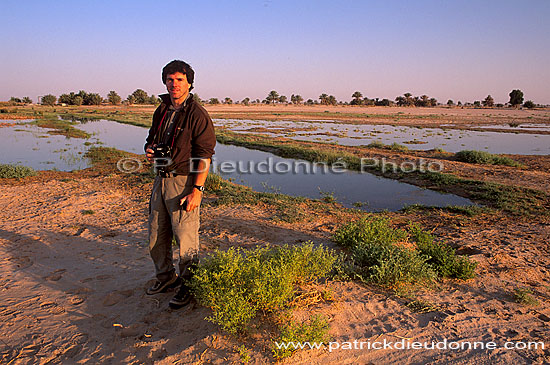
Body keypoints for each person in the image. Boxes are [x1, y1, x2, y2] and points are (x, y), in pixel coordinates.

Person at [144, 60, 216, 309]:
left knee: (185, 239)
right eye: (170, 79)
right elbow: (151, 138)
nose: (174, 84)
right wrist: (150, 150)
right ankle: (165, 278)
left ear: (189, 83)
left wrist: (197, 190)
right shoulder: (162, 109)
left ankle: (189, 286)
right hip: (160, 180)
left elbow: (204, 155)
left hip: (184, 182)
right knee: (156, 235)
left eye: (179, 80)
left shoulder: (197, 114)